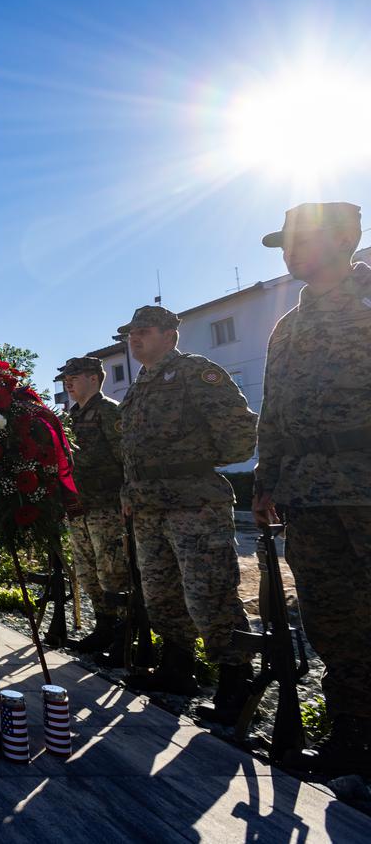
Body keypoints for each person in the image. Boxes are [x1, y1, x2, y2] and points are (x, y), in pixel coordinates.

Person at [254, 202, 371, 776]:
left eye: (303, 240)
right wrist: (264, 482)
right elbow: (273, 412)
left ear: (346, 238)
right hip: (307, 492)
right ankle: (353, 728)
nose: (291, 252)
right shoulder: (288, 326)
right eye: (286, 244)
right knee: (329, 615)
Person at [117, 305, 258, 724]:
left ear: (170, 336)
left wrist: (196, 464)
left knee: (208, 591)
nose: (134, 339)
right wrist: (130, 490)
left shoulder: (197, 372)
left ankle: (236, 678)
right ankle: (178, 667)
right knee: (161, 592)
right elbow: (131, 451)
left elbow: (239, 432)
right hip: (148, 506)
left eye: (144, 331)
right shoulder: (140, 385)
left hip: (193, 503)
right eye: (131, 333)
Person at [56, 356, 129, 657]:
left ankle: (124, 638)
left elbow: (126, 458)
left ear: (95, 378)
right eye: (66, 378)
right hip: (79, 508)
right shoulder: (71, 417)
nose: (68, 382)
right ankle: (103, 629)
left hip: (107, 507)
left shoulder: (109, 412)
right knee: (88, 572)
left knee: (113, 571)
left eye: (75, 376)